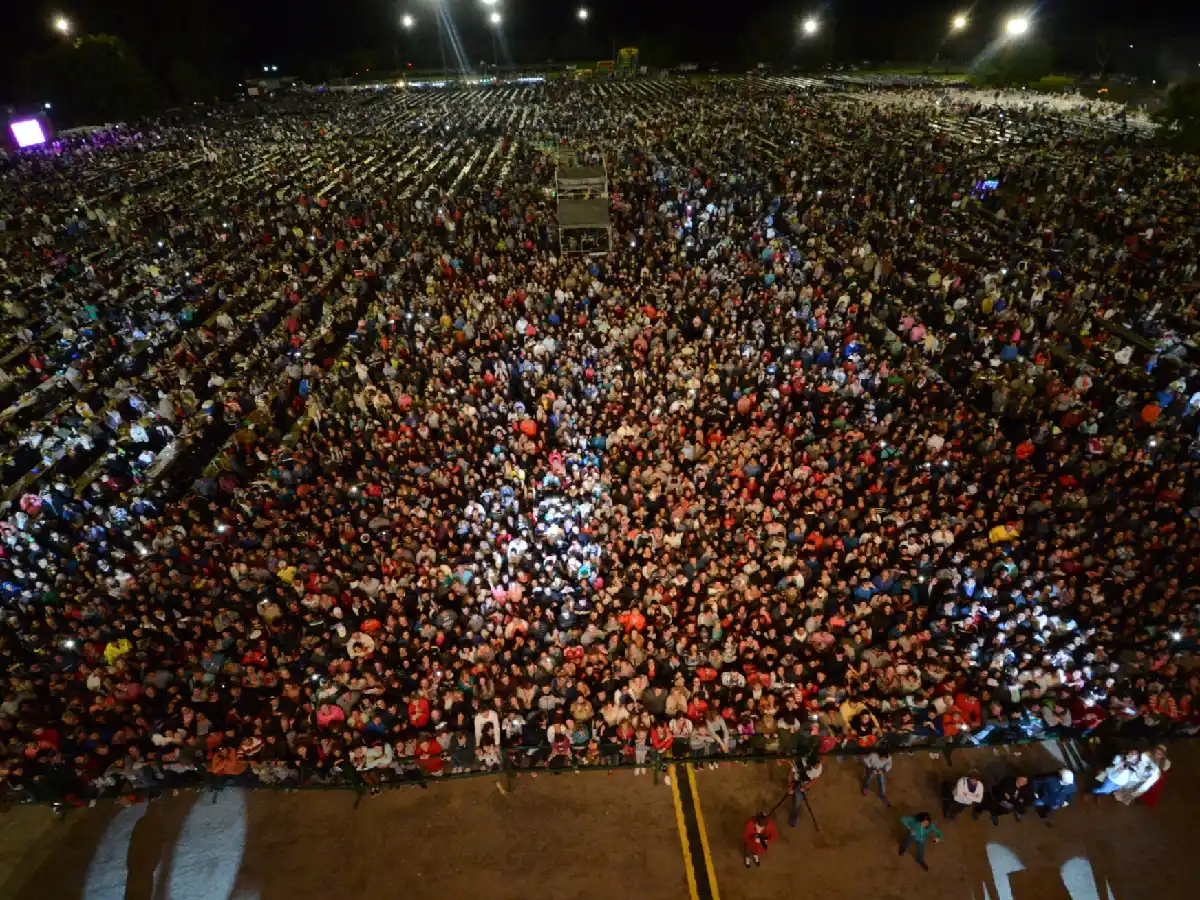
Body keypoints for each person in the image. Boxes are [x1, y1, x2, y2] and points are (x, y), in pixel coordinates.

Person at [787, 754, 824, 828]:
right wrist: (790, 785)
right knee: (794, 795)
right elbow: (791, 772)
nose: (817, 768)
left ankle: (793, 819)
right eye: (814, 767)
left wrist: (806, 787)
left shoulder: (818, 766)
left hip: (805, 783)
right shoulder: (800, 762)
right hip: (796, 780)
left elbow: (815, 779)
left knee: (797, 803)